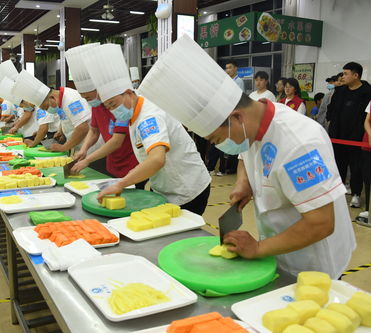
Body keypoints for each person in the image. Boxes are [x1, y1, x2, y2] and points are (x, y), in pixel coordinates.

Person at [138, 34, 355, 278]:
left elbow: (321, 223)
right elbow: (245, 156)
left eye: (218, 140)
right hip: (277, 249)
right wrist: (244, 183)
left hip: (313, 260)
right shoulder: (253, 123)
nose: (221, 147)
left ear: (237, 117)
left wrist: (258, 247)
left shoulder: (301, 145)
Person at [85, 43, 211, 215]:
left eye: (114, 104)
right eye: (108, 107)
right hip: (164, 186)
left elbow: (157, 159)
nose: (113, 111)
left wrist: (120, 183)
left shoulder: (149, 116)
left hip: (187, 189)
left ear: (129, 93)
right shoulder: (134, 110)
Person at [65, 43, 140, 180]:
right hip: (112, 162)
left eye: (88, 97)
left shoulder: (119, 104)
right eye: (84, 98)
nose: (88, 101)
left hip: (132, 163)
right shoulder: (97, 104)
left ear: (98, 90)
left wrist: (88, 160)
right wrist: (83, 150)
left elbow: (117, 141)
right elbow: (94, 131)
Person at [12, 70, 91, 153]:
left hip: (89, 148)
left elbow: (82, 128)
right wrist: (61, 131)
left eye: (46, 107)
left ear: (52, 98)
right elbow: (67, 117)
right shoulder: (60, 102)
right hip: (77, 146)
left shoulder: (71, 100)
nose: (47, 111)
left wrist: (64, 147)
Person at [327, 62, 371, 208]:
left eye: (346, 74)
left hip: (357, 139)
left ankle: (356, 194)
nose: (343, 76)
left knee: (356, 167)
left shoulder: (367, 92)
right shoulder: (340, 92)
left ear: (356, 75)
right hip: (338, 136)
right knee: (338, 166)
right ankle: (337, 194)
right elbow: (331, 110)